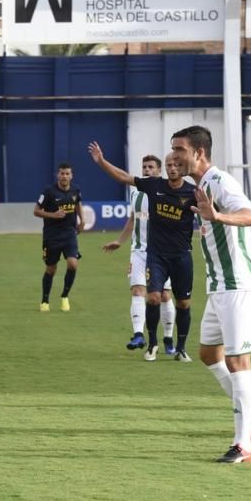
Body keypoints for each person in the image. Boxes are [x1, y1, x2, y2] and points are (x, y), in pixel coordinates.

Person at [171, 125, 251, 464]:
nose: (175, 156)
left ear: (199, 152)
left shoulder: (220, 182)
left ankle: (243, 446)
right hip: (220, 286)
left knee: (239, 362)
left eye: (180, 149)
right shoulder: (201, 185)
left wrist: (218, 215)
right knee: (210, 354)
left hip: (238, 284)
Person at [91, 149, 182, 357]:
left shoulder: (167, 192)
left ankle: (168, 337)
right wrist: (119, 241)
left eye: (151, 167)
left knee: (165, 295)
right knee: (138, 291)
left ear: (159, 171)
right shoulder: (136, 193)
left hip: (162, 252)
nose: (147, 170)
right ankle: (139, 334)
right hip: (139, 251)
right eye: (144, 167)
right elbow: (133, 218)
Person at [34, 162, 84, 312]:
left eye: (67, 174)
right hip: (51, 236)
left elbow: (78, 204)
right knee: (51, 268)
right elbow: (36, 211)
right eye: (62, 173)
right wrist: (53, 215)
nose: (64, 176)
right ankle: (45, 300)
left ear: (71, 175)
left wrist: (83, 219)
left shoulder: (76, 189)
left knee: (73, 264)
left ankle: (65, 296)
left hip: (69, 234)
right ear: (58, 175)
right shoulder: (49, 191)